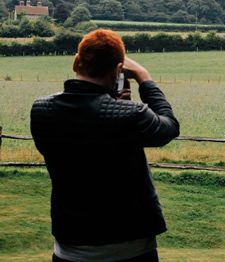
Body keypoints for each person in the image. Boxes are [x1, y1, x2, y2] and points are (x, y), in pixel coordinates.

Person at [30, 29, 180, 262]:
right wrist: (144, 77)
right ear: (118, 70)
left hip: (71, 245)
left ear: (76, 63)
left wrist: (117, 108)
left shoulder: (42, 110)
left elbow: (85, 134)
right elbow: (169, 127)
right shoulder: (131, 115)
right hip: (131, 247)